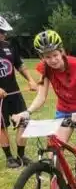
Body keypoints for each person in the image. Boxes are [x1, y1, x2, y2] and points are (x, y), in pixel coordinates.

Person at [12, 30, 76, 184]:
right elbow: (41, 96)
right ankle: (60, 186)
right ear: (42, 57)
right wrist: (27, 112)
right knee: (54, 150)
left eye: (55, 55)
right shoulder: (45, 69)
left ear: (61, 52)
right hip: (64, 111)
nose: (52, 60)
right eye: (47, 57)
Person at [0, 16, 37, 168]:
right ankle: (9, 158)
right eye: (1, 31)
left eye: (4, 31)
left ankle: (21, 156)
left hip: (14, 92)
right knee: (1, 126)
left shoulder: (9, 47)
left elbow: (19, 65)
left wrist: (30, 80)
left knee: (24, 120)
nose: (4, 34)